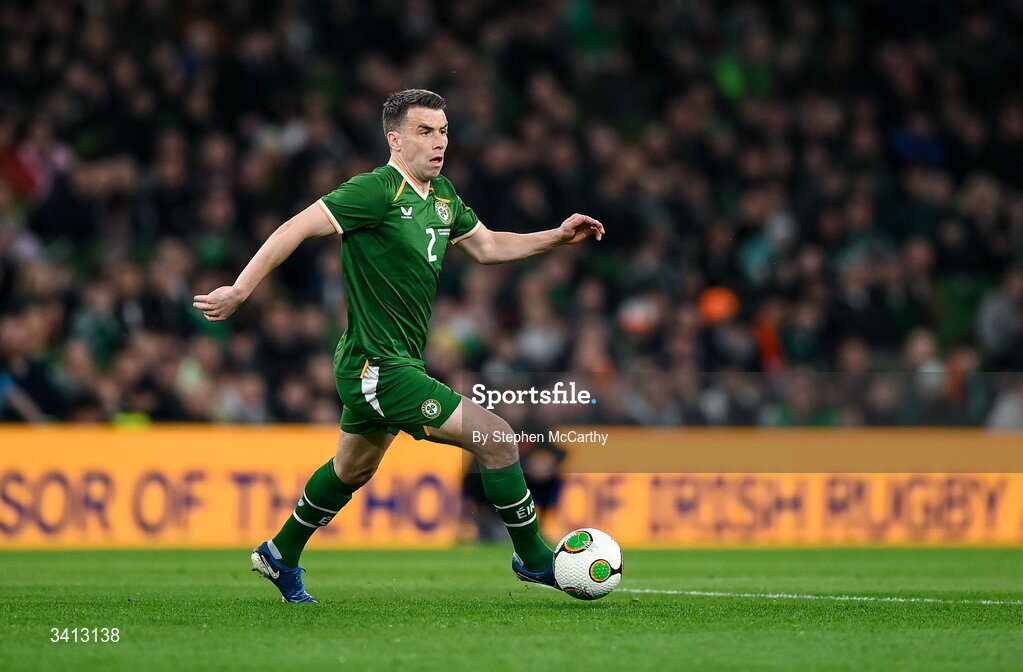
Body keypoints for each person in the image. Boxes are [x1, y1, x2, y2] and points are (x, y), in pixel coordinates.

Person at [193, 89, 604, 602]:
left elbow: (490, 245)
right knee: (497, 439)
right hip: (377, 365)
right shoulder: (376, 191)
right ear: (395, 139)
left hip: (393, 360)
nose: (439, 143)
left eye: (444, 132)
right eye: (425, 132)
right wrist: (240, 289)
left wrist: (556, 236)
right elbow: (295, 227)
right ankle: (535, 559)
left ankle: (279, 554)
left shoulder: (443, 196)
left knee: (353, 469)